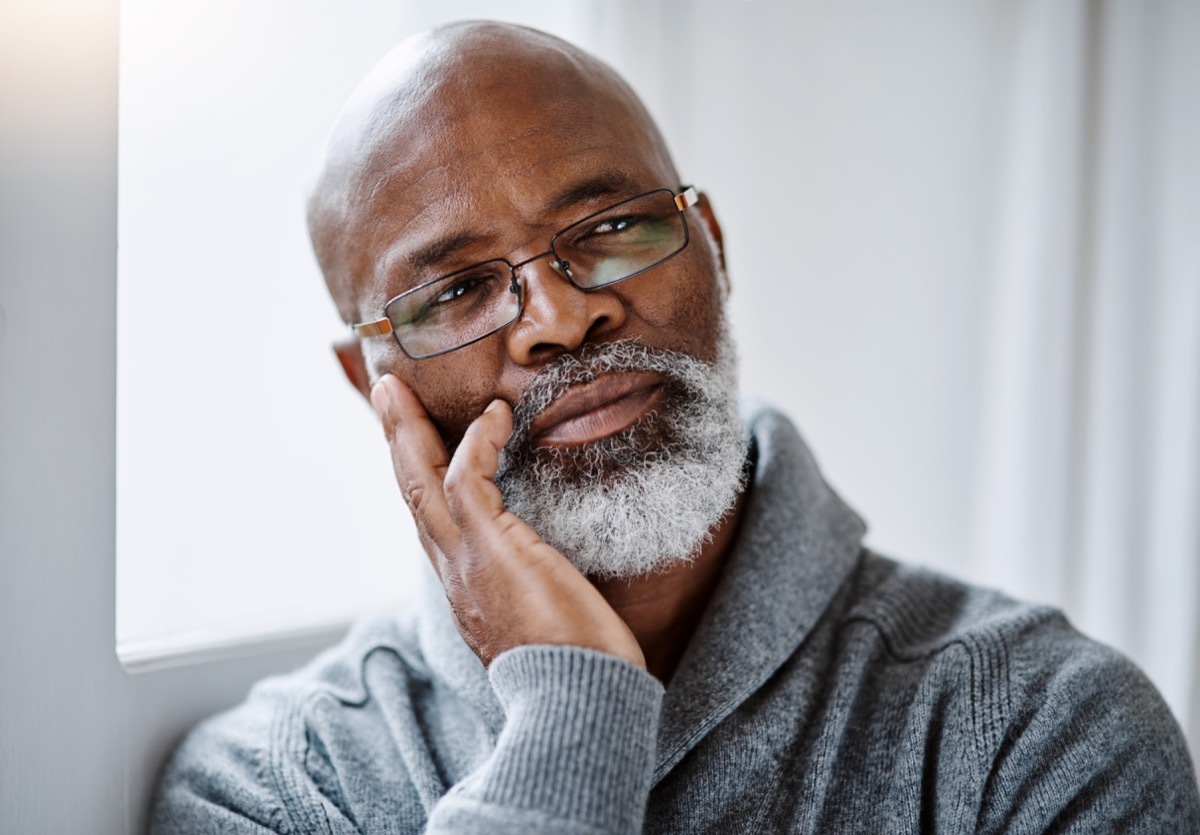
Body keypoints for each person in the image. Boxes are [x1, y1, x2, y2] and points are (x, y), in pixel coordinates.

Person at [151, 21, 1200, 834]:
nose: (563, 318)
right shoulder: (279, 785)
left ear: (713, 246)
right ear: (368, 380)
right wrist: (572, 715)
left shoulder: (1042, 728)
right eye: (460, 291)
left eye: (612, 229)